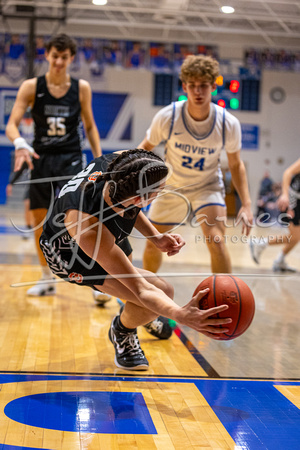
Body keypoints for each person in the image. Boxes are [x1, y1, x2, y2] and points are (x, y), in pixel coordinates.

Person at [39, 149, 232, 370]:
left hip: (102, 230)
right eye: (158, 190)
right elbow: (142, 289)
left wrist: (157, 237)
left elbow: (131, 204)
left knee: (140, 290)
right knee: (160, 292)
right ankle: (122, 331)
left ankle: (140, 315)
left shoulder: (121, 166)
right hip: (70, 257)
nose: (162, 191)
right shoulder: (89, 228)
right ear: (140, 198)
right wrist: (179, 314)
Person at [5, 33, 102, 297]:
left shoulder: (81, 88)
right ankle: (46, 276)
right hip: (40, 158)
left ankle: (97, 281)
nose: (59, 61)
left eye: (64, 57)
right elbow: (11, 124)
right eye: (55, 56)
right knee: (38, 220)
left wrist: (98, 159)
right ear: (47, 55)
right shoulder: (30, 86)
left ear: (71, 59)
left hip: (70, 157)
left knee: (79, 220)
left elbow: (90, 126)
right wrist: (19, 144)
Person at [139, 54, 253, 275]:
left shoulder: (227, 123)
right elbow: (144, 148)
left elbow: (236, 164)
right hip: (171, 185)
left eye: (203, 86)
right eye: (192, 86)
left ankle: (224, 299)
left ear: (213, 87)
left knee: (217, 241)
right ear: (184, 87)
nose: (198, 92)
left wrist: (247, 204)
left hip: (207, 186)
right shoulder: (168, 116)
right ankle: (145, 295)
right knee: (154, 244)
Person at [250, 158, 300, 272]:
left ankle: (279, 260)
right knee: (295, 236)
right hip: (292, 201)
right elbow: (288, 172)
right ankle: (261, 244)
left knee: (296, 237)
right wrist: (285, 196)